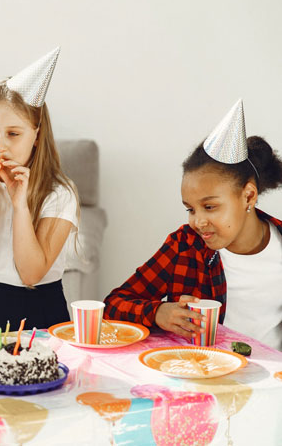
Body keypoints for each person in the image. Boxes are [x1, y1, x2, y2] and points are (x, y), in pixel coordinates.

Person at [104, 100, 282, 350]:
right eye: (190, 209)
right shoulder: (184, 245)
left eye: (209, 207)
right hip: (203, 373)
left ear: (248, 196)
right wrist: (158, 313)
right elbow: (114, 305)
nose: (197, 221)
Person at [0, 48, 80, 336]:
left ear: (36, 135)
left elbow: (32, 274)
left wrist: (20, 205)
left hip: (39, 309)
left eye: (13, 133)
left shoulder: (59, 194)